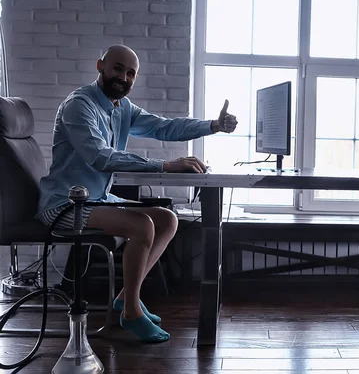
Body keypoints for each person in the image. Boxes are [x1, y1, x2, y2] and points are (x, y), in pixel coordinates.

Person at [36, 44, 237, 343]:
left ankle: (124, 298)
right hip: (64, 206)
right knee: (142, 225)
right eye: (118, 68)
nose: (124, 78)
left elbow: (165, 128)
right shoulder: (79, 105)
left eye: (131, 73)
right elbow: (100, 156)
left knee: (168, 220)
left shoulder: (122, 108)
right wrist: (166, 165)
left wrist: (213, 126)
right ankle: (131, 312)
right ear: (100, 66)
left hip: (97, 199)